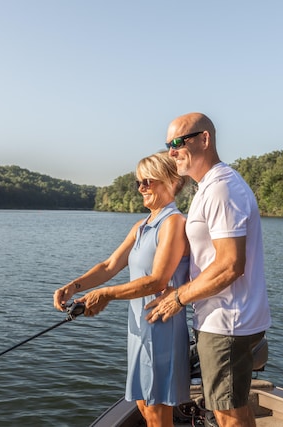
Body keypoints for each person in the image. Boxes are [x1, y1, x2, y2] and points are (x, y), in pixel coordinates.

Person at [146, 113, 272, 427]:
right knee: (231, 408)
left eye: (178, 142)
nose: (171, 151)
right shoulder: (208, 188)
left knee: (228, 414)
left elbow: (230, 264)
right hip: (222, 317)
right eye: (167, 145)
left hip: (227, 321)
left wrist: (179, 297)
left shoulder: (222, 190)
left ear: (205, 139)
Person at [53, 152, 191, 427]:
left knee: (157, 413)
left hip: (161, 327)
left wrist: (105, 294)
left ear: (171, 181)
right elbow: (110, 265)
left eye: (147, 181)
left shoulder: (173, 222)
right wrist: (74, 286)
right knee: (143, 406)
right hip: (138, 328)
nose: (141, 188)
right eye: (138, 182)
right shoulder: (141, 226)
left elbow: (157, 280)